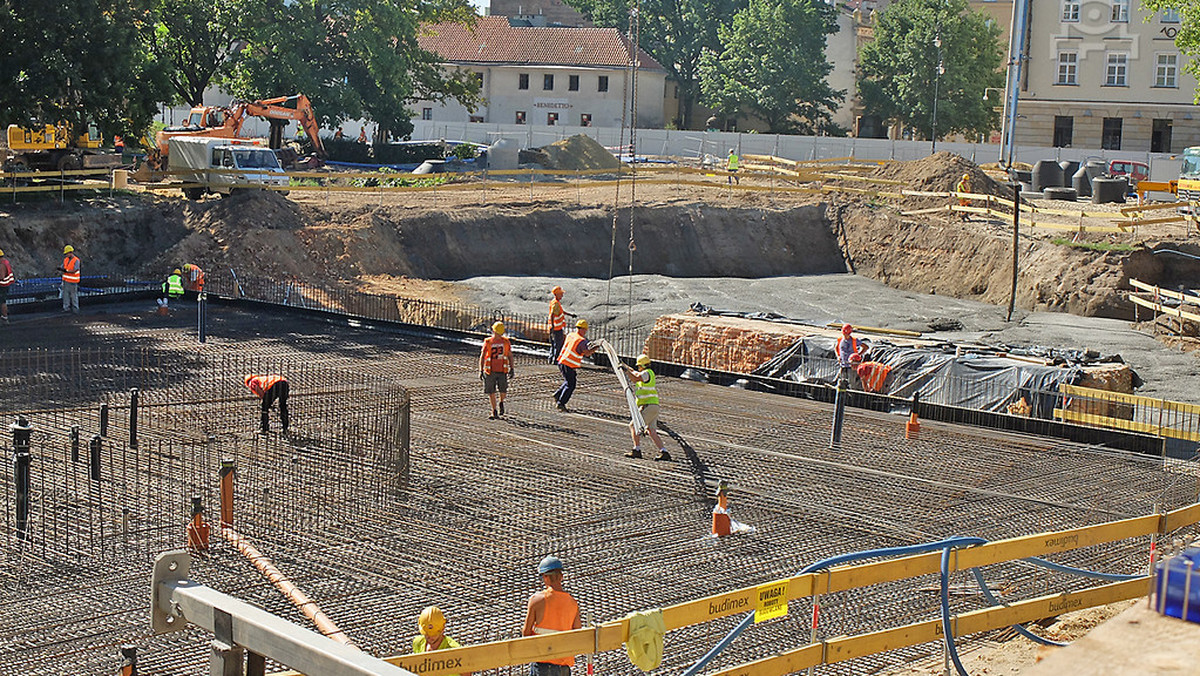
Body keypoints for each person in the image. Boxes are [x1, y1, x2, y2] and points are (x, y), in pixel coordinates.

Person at [522, 556, 581, 676]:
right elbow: (577, 633)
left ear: (545, 577)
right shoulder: (573, 603)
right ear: (561, 577)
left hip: (543, 663)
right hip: (564, 665)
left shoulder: (537, 600)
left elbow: (526, 633)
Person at [621, 354, 670, 461]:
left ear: (642, 365)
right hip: (653, 406)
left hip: (649, 406)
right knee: (651, 430)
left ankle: (636, 450)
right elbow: (635, 373)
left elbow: (635, 378)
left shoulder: (646, 374)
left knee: (634, 426)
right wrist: (626, 367)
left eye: (639, 366)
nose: (638, 367)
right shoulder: (648, 373)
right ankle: (664, 452)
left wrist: (626, 371)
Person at [413, 606, 470, 676]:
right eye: (426, 633)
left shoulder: (454, 650)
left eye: (434, 634)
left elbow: (467, 674)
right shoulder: (418, 643)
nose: (430, 637)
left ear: (443, 629)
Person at [554, 319, 597, 412]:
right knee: (571, 385)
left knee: (568, 380)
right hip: (568, 364)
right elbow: (587, 353)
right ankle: (561, 403)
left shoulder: (571, 335)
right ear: (583, 329)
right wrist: (595, 348)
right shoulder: (581, 340)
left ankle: (558, 395)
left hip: (562, 361)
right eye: (585, 330)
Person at [481, 321, 514, 419]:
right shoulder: (505, 342)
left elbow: (482, 356)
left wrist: (481, 369)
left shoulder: (489, 342)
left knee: (495, 391)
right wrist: (512, 368)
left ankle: (498, 405)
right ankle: (496, 408)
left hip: (494, 370)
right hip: (496, 370)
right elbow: (510, 355)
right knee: (498, 390)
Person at [547, 286, 576, 364]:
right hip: (556, 328)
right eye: (561, 294)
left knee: (553, 345)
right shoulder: (555, 304)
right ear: (557, 294)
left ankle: (550, 359)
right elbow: (552, 315)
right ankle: (555, 360)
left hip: (553, 328)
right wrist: (553, 327)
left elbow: (560, 311)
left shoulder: (554, 302)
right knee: (558, 345)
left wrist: (570, 315)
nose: (562, 296)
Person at [57, 245, 80, 314]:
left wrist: (66, 271)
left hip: (73, 282)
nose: (66, 255)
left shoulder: (76, 260)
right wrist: (60, 270)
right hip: (66, 281)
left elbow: (75, 270)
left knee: (73, 296)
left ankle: (75, 309)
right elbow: (63, 267)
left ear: (71, 252)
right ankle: (66, 308)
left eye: (67, 253)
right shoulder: (66, 260)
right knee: (65, 295)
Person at [0, 249, 14, 322]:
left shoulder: (1, 264)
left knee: (2, 301)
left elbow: (1, 277)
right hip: (6, 285)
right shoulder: (6, 262)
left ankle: (4, 317)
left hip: (2, 286)